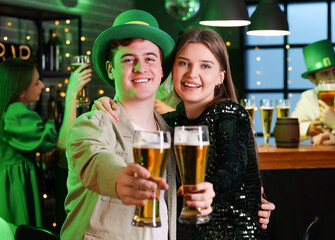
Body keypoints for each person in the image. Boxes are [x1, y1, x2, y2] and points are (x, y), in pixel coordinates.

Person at [95, 27, 274, 239]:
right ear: (171, 70)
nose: (192, 74)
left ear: (220, 77)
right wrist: (105, 104)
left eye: (205, 66)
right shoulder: (175, 122)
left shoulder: (229, 113)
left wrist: (211, 187)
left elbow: (233, 166)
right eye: (183, 63)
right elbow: (139, 120)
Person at [60, 10, 215, 240]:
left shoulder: (173, 134)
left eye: (150, 58)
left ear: (162, 70)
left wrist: (251, 200)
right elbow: (96, 161)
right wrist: (121, 178)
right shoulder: (91, 125)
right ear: (111, 69)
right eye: (128, 59)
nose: (140, 67)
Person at [0, 57, 91, 228]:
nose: (42, 85)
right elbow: (62, 143)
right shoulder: (14, 112)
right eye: (36, 83)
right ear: (19, 91)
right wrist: (71, 93)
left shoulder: (9, 110)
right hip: (14, 189)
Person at [291, 39, 335, 143]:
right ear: (312, 79)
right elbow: (289, 131)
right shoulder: (308, 97)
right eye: (325, 73)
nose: (333, 78)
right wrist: (309, 128)